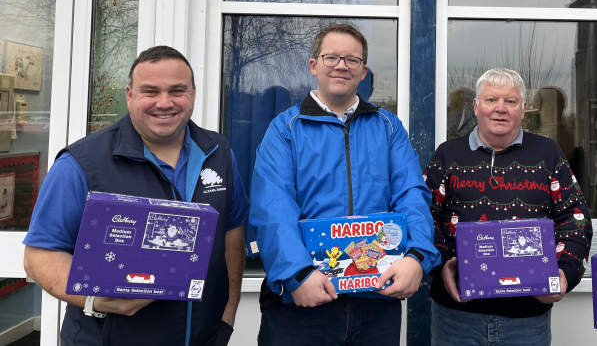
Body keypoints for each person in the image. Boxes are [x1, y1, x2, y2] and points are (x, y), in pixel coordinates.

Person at [23, 46, 249, 346]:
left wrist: (227, 316)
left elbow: (232, 236)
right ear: (129, 95)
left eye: (177, 90)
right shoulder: (82, 163)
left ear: (192, 94)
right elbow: (38, 255)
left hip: (203, 337)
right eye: (150, 91)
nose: (164, 102)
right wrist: (95, 299)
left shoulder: (219, 154)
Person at [251, 23, 440, 346]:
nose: (341, 66)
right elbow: (273, 207)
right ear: (313, 66)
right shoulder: (286, 128)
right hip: (302, 302)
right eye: (331, 57)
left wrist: (417, 256)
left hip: (376, 302)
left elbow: (412, 194)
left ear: (363, 71)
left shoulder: (388, 127)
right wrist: (298, 274)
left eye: (352, 60)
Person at [425, 68, 592, 346]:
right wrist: (441, 266)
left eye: (511, 101)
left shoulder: (548, 154)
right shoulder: (447, 154)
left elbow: (575, 220)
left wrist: (565, 272)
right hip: (455, 317)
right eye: (491, 100)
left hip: (527, 317)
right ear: (477, 107)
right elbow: (424, 218)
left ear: (523, 109)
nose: (500, 109)